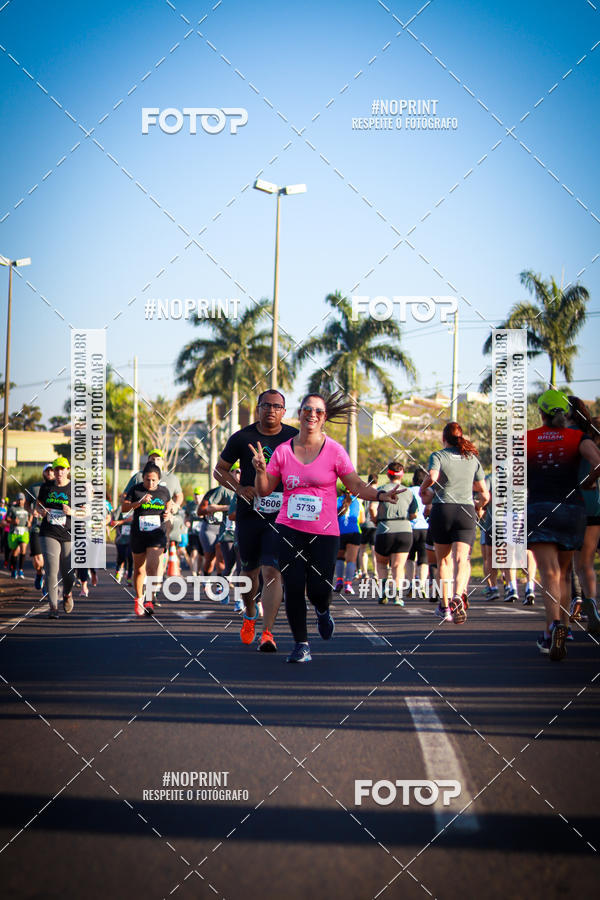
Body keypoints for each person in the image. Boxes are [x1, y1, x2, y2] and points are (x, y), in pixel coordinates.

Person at [252, 391, 402, 663]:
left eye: (318, 411)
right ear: (299, 414)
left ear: (324, 418)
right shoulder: (284, 451)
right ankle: (301, 644)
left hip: (324, 531)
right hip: (289, 529)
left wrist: (381, 495)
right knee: (294, 587)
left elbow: (355, 485)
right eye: (307, 410)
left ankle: (323, 610)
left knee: (320, 589)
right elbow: (264, 492)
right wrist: (261, 470)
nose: (312, 415)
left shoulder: (334, 451)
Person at [214, 389, 299, 652]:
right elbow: (220, 470)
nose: (271, 410)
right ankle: (250, 613)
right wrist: (239, 489)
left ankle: (268, 632)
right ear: (258, 408)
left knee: (273, 570)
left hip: (282, 516)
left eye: (277, 406)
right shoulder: (242, 437)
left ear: (284, 411)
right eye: (266, 405)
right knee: (249, 572)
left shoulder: (294, 437)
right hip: (250, 513)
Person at [528, 390, 600, 660]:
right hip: (572, 510)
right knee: (565, 571)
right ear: (564, 413)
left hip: (540, 509)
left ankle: (551, 629)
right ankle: (566, 626)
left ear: (542, 413)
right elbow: (598, 461)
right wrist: (589, 481)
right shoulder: (577, 437)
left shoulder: (527, 438)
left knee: (548, 573)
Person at [420, 423, 489, 624]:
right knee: (463, 559)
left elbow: (432, 477)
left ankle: (444, 606)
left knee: (444, 561)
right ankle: (459, 595)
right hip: (466, 510)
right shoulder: (472, 458)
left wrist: (423, 488)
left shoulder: (439, 455)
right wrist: (480, 506)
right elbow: (484, 493)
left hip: (443, 509)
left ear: (444, 439)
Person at [122, 462, 174, 616]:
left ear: (158, 479)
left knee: (152, 568)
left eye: (153, 480)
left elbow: (169, 505)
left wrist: (168, 513)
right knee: (139, 570)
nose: (150, 483)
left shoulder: (164, 491)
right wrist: (139, 502)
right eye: (147, 480)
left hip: (157, 534)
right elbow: (124, 508)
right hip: (139, 534)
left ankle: (149, 601)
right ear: (143, 478)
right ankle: (139, 598)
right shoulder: (136, 490)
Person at [566, 400, 600, 635]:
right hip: (593, 506)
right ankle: (592, 607)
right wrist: (591, 480)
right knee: (585, 563)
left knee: (565, 565)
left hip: (572, 505)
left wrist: (587, 480)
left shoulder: (569, 437)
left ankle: (561, 622)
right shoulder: (589, 437)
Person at [371, 461, 417, 606]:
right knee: (398, 566)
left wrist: (375, 521)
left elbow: (372, 508)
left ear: (388, 474)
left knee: (381, 563)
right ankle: (397, 596)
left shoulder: (381, 489)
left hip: (385, 528)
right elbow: (414, 514)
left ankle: (383, 591)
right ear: (402, 475)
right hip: (404, 530)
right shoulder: (408, 492)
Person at [35, 457, 75, 618]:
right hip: (49, 532)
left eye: (62, 469)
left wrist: (72, 512)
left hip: (68, 533)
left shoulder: (75, 488)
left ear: (68, 470)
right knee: (51, 569)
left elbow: (86, 511)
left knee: (68, 573)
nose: (59, 472)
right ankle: (53, 607)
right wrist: (41, 511)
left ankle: (67, 594)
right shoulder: (46, 487)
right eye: (56, 469)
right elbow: (38, 504)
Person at [26, 463, 55, 590]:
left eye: (51, 471)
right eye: (47, 471)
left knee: (48, 560)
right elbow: (26, 504)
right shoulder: (34, 488)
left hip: (52, 528)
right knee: (38, 560)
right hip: (36, 527)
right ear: (43, 473)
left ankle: (47, 583)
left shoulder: (59, 488)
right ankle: (39, 573)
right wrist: (32, 511)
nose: (49, 473)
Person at [335, 486, 364, 595]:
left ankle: (339, 581)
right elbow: (362, 520)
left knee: (340, 557)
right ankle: (348, 584)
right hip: (354, 532)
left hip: (340, 532)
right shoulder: (357, 501)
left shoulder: (337, 500)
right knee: (351, 560)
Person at [406, 468, 429, 598]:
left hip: (410, 528)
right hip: (425, 527)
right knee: (423, 559)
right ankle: (421, 584)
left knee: (410, 558)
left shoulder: (408, 491)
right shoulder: (427, 491)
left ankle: (410, 583)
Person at [357, 472, 378, 579]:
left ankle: (364, 572)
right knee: (374, 550)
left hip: (364, 524)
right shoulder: (379, 491)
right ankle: (375, 572)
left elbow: (358, 503)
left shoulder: (364, 492)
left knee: (362, 549)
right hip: (375, 525)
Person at [7, 493, 31, 579]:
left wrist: (29, 522)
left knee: (23, 549)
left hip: (24, 532)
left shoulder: (27, 508)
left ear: (24, 500)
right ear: (16, 500)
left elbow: (30, 516)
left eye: (22, 499)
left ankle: (20, 570)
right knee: (15, 552)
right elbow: (7, 518)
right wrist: (13, 521)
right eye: (19, 499)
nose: (20, 501)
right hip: (14, 532)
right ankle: (13, 570)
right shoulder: (12, 508)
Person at [110, 503, 134, 585]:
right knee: (121, 557)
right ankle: (118, 571)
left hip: (133, 539)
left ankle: (129, 577)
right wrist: (125, 521)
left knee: (131, 558)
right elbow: (113, 523)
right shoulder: (120, 508)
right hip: (121, 539)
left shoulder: (136, 507)